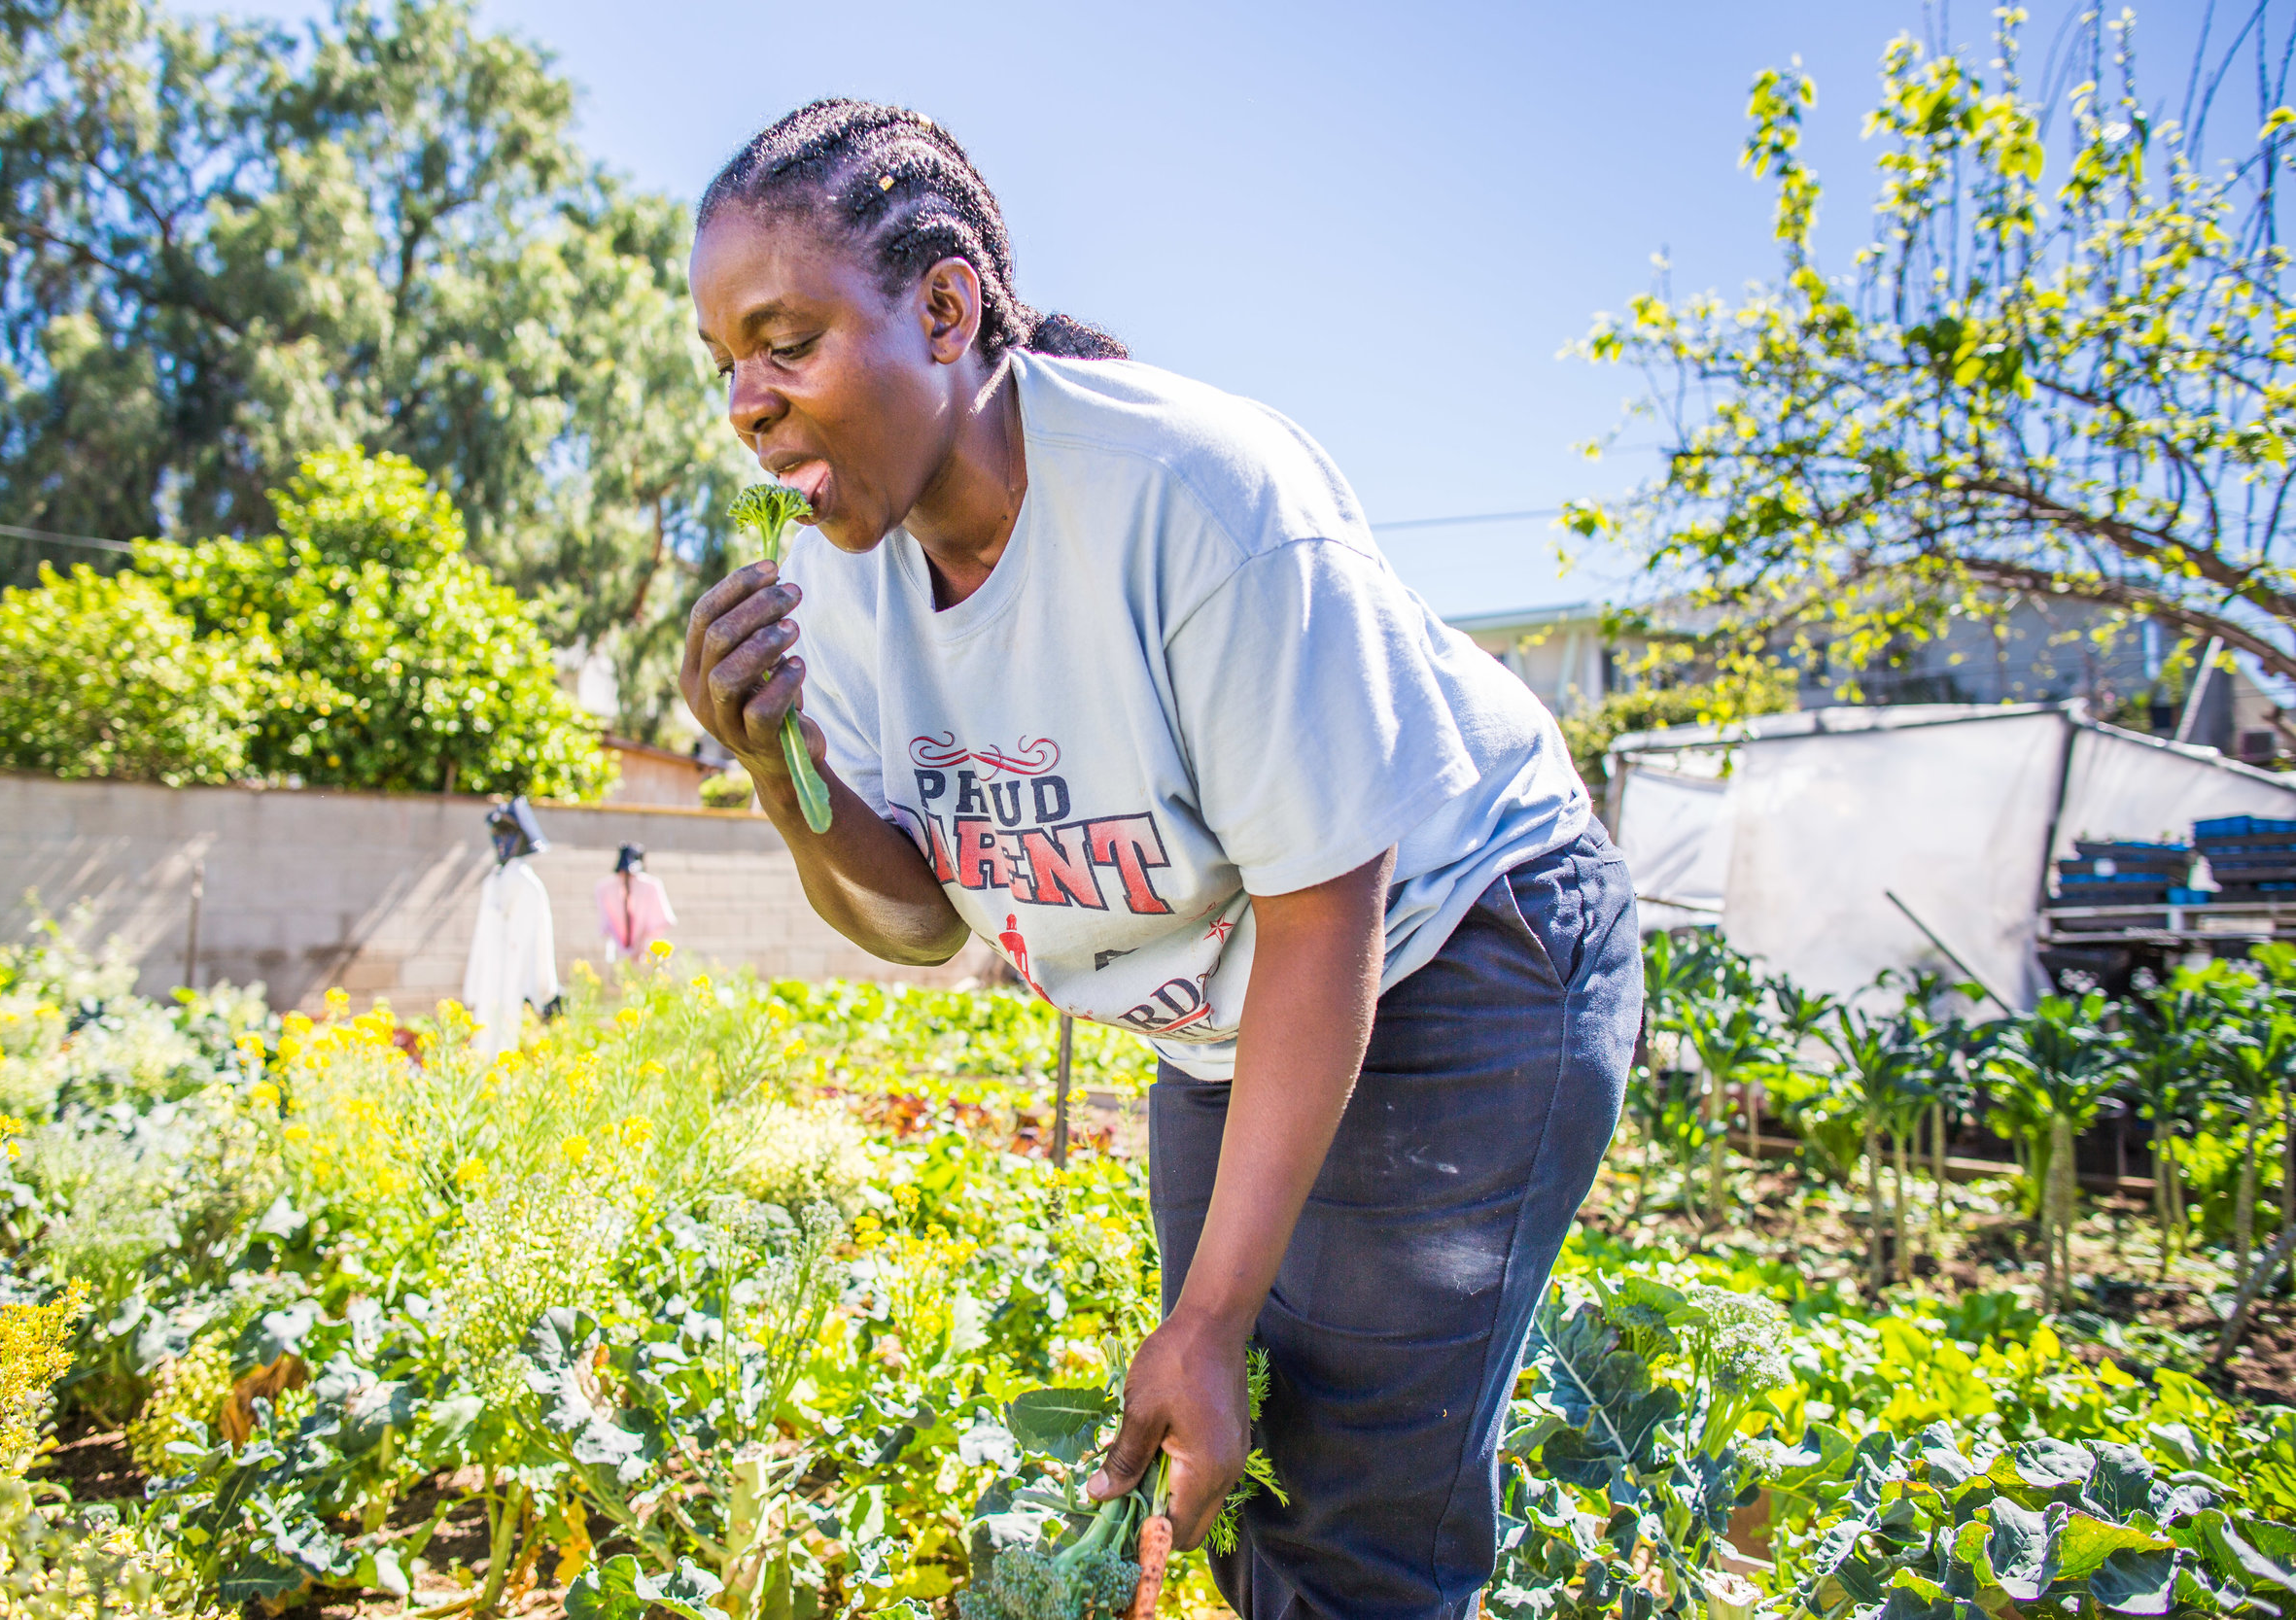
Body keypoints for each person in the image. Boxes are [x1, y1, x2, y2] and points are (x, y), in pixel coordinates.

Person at [678, 99, 1641, 1620]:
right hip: (1229, 1003)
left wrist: (1208, 1312)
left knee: (1350, 1511)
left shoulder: (1199, 498)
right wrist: (779, 766)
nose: (747, 400)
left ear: (945, 305)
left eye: (785, 341)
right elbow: (922, 922)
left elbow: (1329, 911)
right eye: (725, 364)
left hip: (1468, 939)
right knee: (1236, 1459)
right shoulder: (841, 583)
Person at [597, 842, 678, 961]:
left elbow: (661, 921)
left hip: (643, 947)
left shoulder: (651, 886)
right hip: (619, 950)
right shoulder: (606, 887)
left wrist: (643, 938)